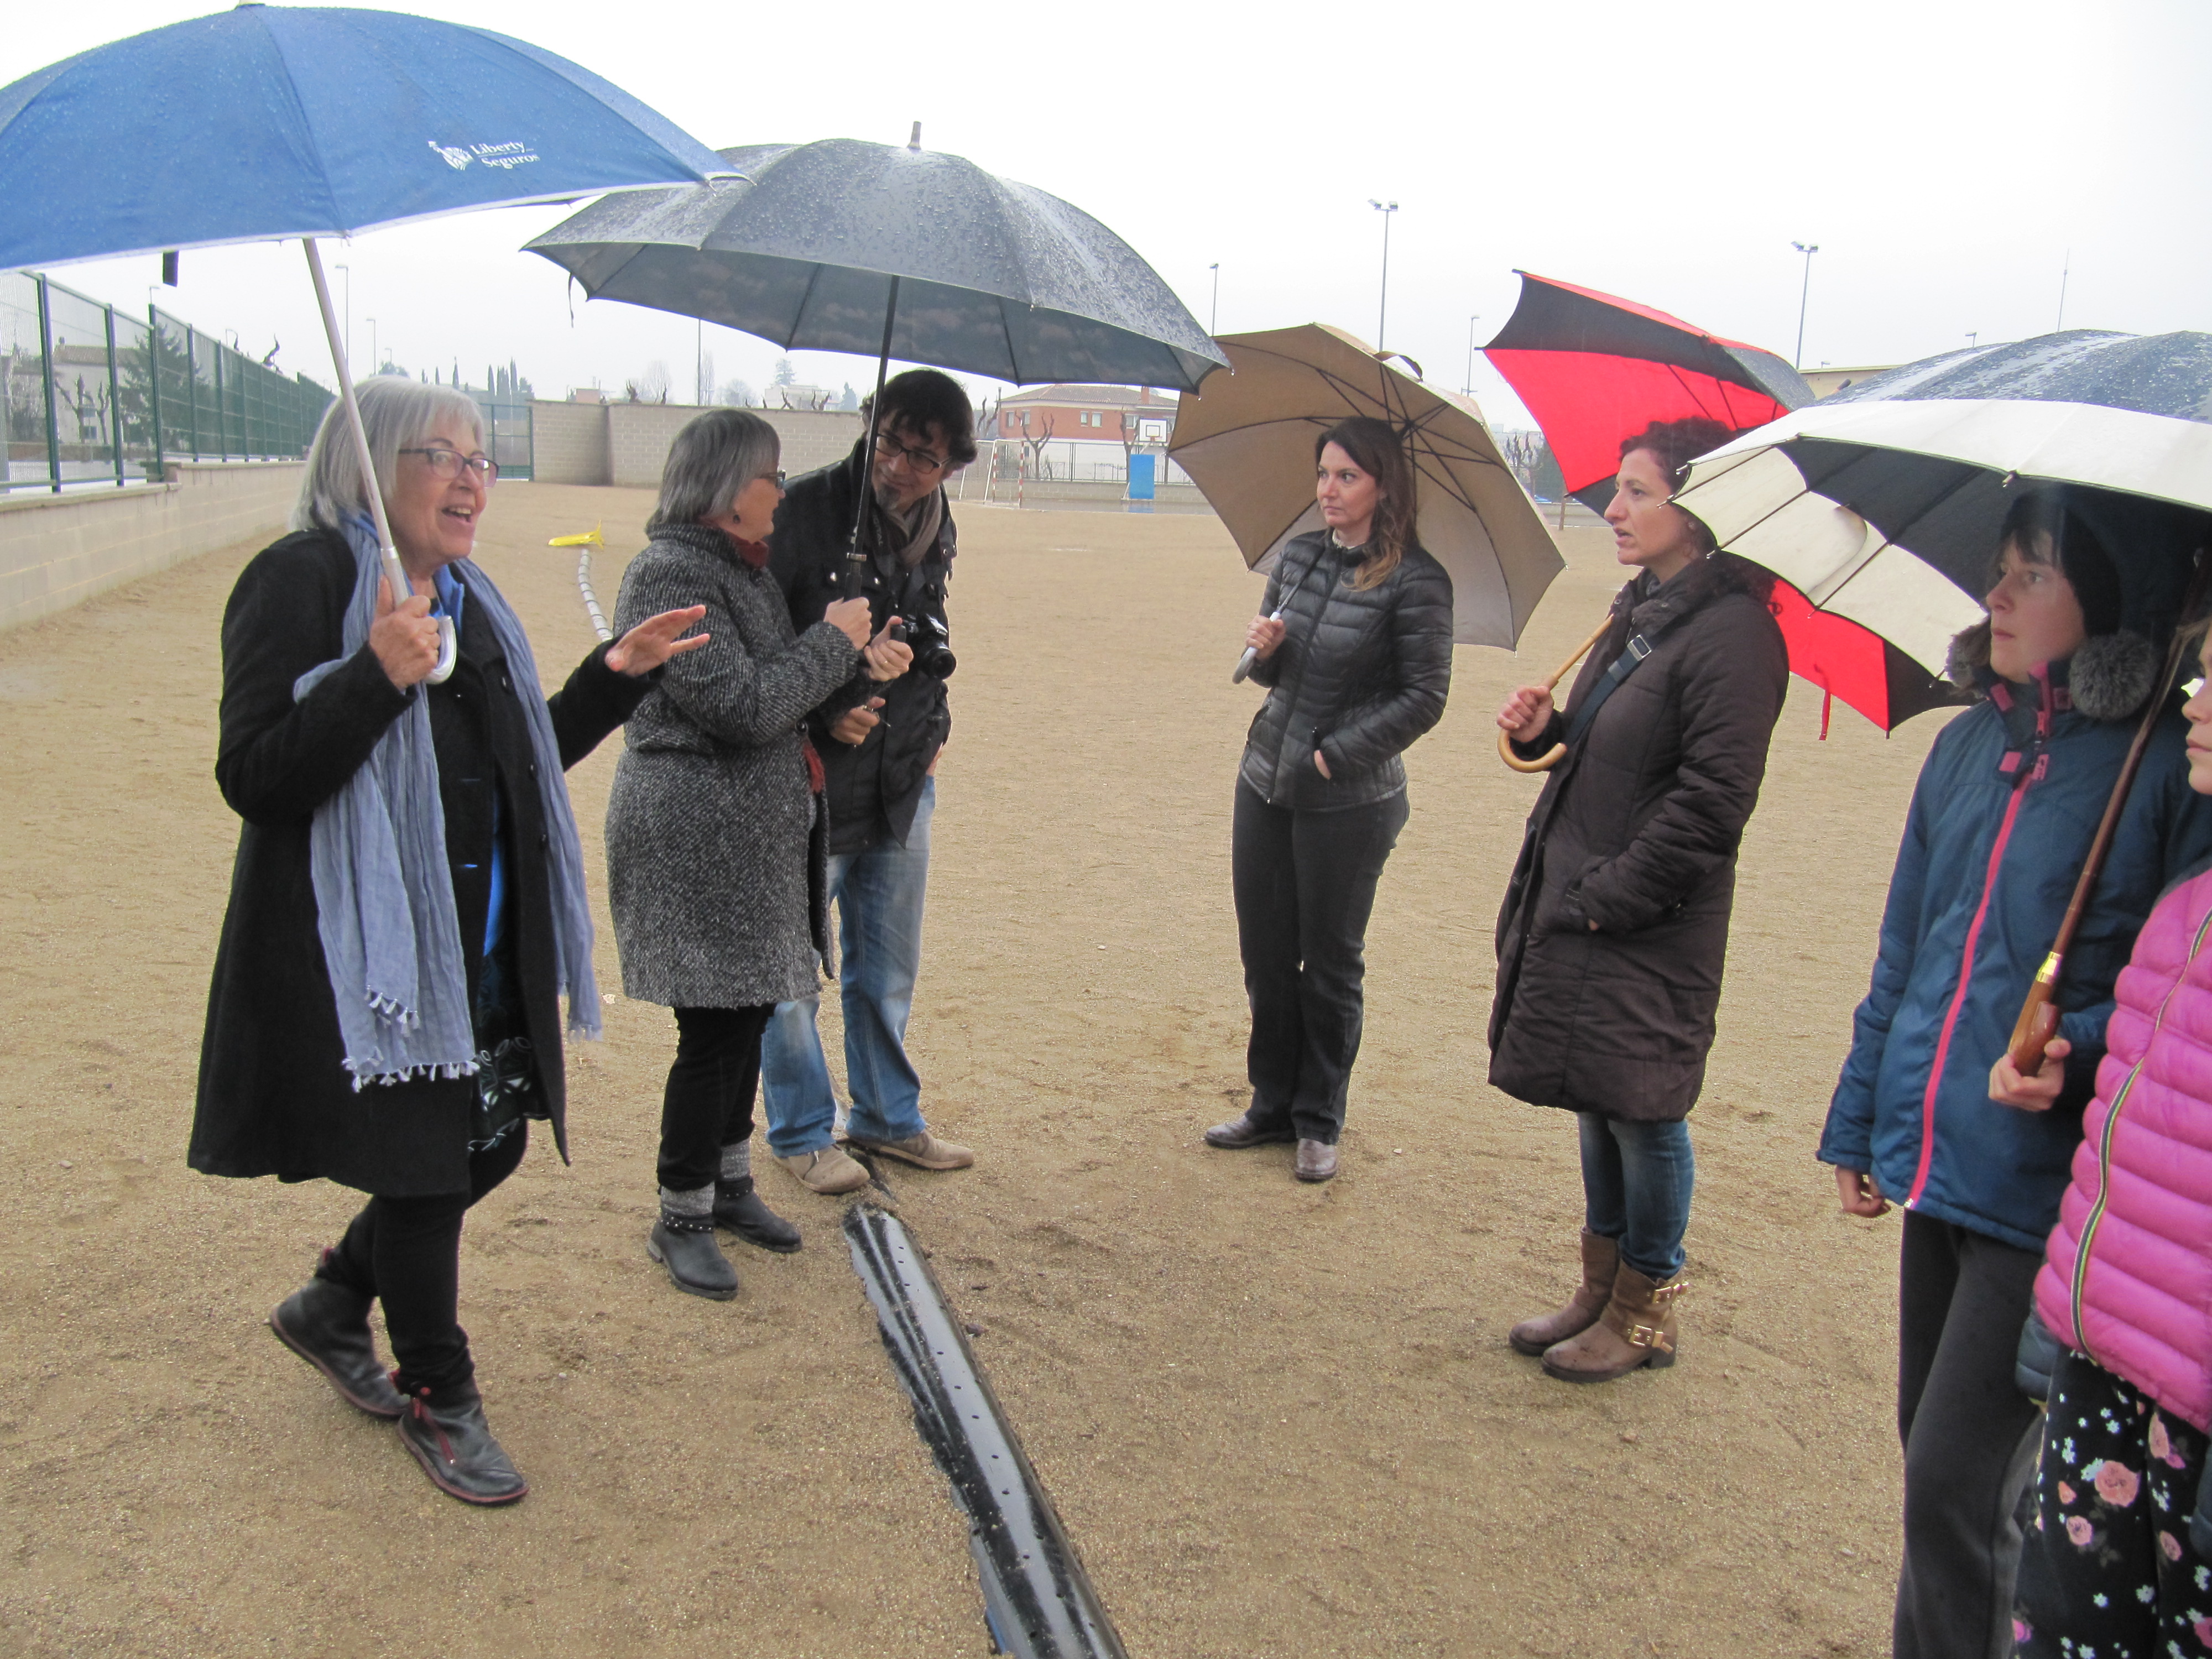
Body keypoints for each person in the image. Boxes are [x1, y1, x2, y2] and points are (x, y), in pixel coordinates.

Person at [190, 378, 706, 1505]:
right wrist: (372, 677)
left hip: (478, 941)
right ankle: (439, 1391)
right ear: (369, 465)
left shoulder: (466, 599)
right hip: (376, 957)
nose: (473, 480)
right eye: (443, 456)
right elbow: (255, 777)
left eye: (482, 458)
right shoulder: (301, 580)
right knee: (425, 1171)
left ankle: (333, 1301)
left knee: (489, 1147)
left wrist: (611, 680)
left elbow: (518, 756)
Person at [1819, 490, 2212, 1657]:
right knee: (1927, 1456)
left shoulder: (2161, 771)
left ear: (2109, 601)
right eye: (1998, 568)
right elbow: (1903, 950)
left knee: (1960, 1481)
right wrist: (1859, 1117)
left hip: (2043, 1187)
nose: (1994, 595)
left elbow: (2173, 996)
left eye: (2032, 573)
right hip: (1936, 1156)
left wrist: (2071, 1042)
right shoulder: (1960, 748)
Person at [1490, 418, 1789, 1384]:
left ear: (1696, 510)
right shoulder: (1642, 611)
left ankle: (1645, 1311)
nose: (1613, 508)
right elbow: (1609, 753)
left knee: (1645, 1113)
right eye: (1617, 489)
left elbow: (1712, 806)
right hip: (1592, 899)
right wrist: (1545, 731)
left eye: (1638, 492)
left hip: (1646, 919)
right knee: (1599, 1095)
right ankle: (1600, 1289)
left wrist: (1604, 897)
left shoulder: (1737, 636)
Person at [604, 408, 894, 1298]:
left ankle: (728, 1184)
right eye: (770, 474)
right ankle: (681, 1215)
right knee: (713, 1028)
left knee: (748, 1013)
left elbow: (775, 696)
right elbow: (739, 706)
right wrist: (832, 642)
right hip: (698, 836)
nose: (781, 489)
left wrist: (838, 692)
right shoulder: (669, 573)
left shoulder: (742, 570)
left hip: (750, 835)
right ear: (729, 490)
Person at [2008, 619, 2212, 1658]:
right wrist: (2074, 1047)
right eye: (2203, 673)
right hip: (2108, 1359)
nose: (2195, 701)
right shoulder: (2189, 906)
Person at [1202, 416, 1453, 1183]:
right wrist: (1265, 654)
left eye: (1347, 476)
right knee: (1267, 955)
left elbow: (1425, 697)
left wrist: (1335, 755)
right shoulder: (1301, 557)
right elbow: (1277, 676)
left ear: (1384, 485)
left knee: (1331, 963)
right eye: (1323, 474)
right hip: (1265, 778)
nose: (1328, 490)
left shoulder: (1418, 580)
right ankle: (1272, 1104)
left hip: (1349, 800)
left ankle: (1318, 1120)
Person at [758, 368, 974, 1196]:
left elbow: (926, 632)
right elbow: (761, 648)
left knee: (885, 967)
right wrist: (830, 706)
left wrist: (931, 732)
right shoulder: (803, 512)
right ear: (869, 425)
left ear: (952, 464)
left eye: (924, 456)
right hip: (810, 777)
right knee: (791, 972)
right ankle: (801, 1131)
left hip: (902, 776)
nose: (898, 466)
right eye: (889, 440)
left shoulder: (936, 523)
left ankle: (885, 1116)